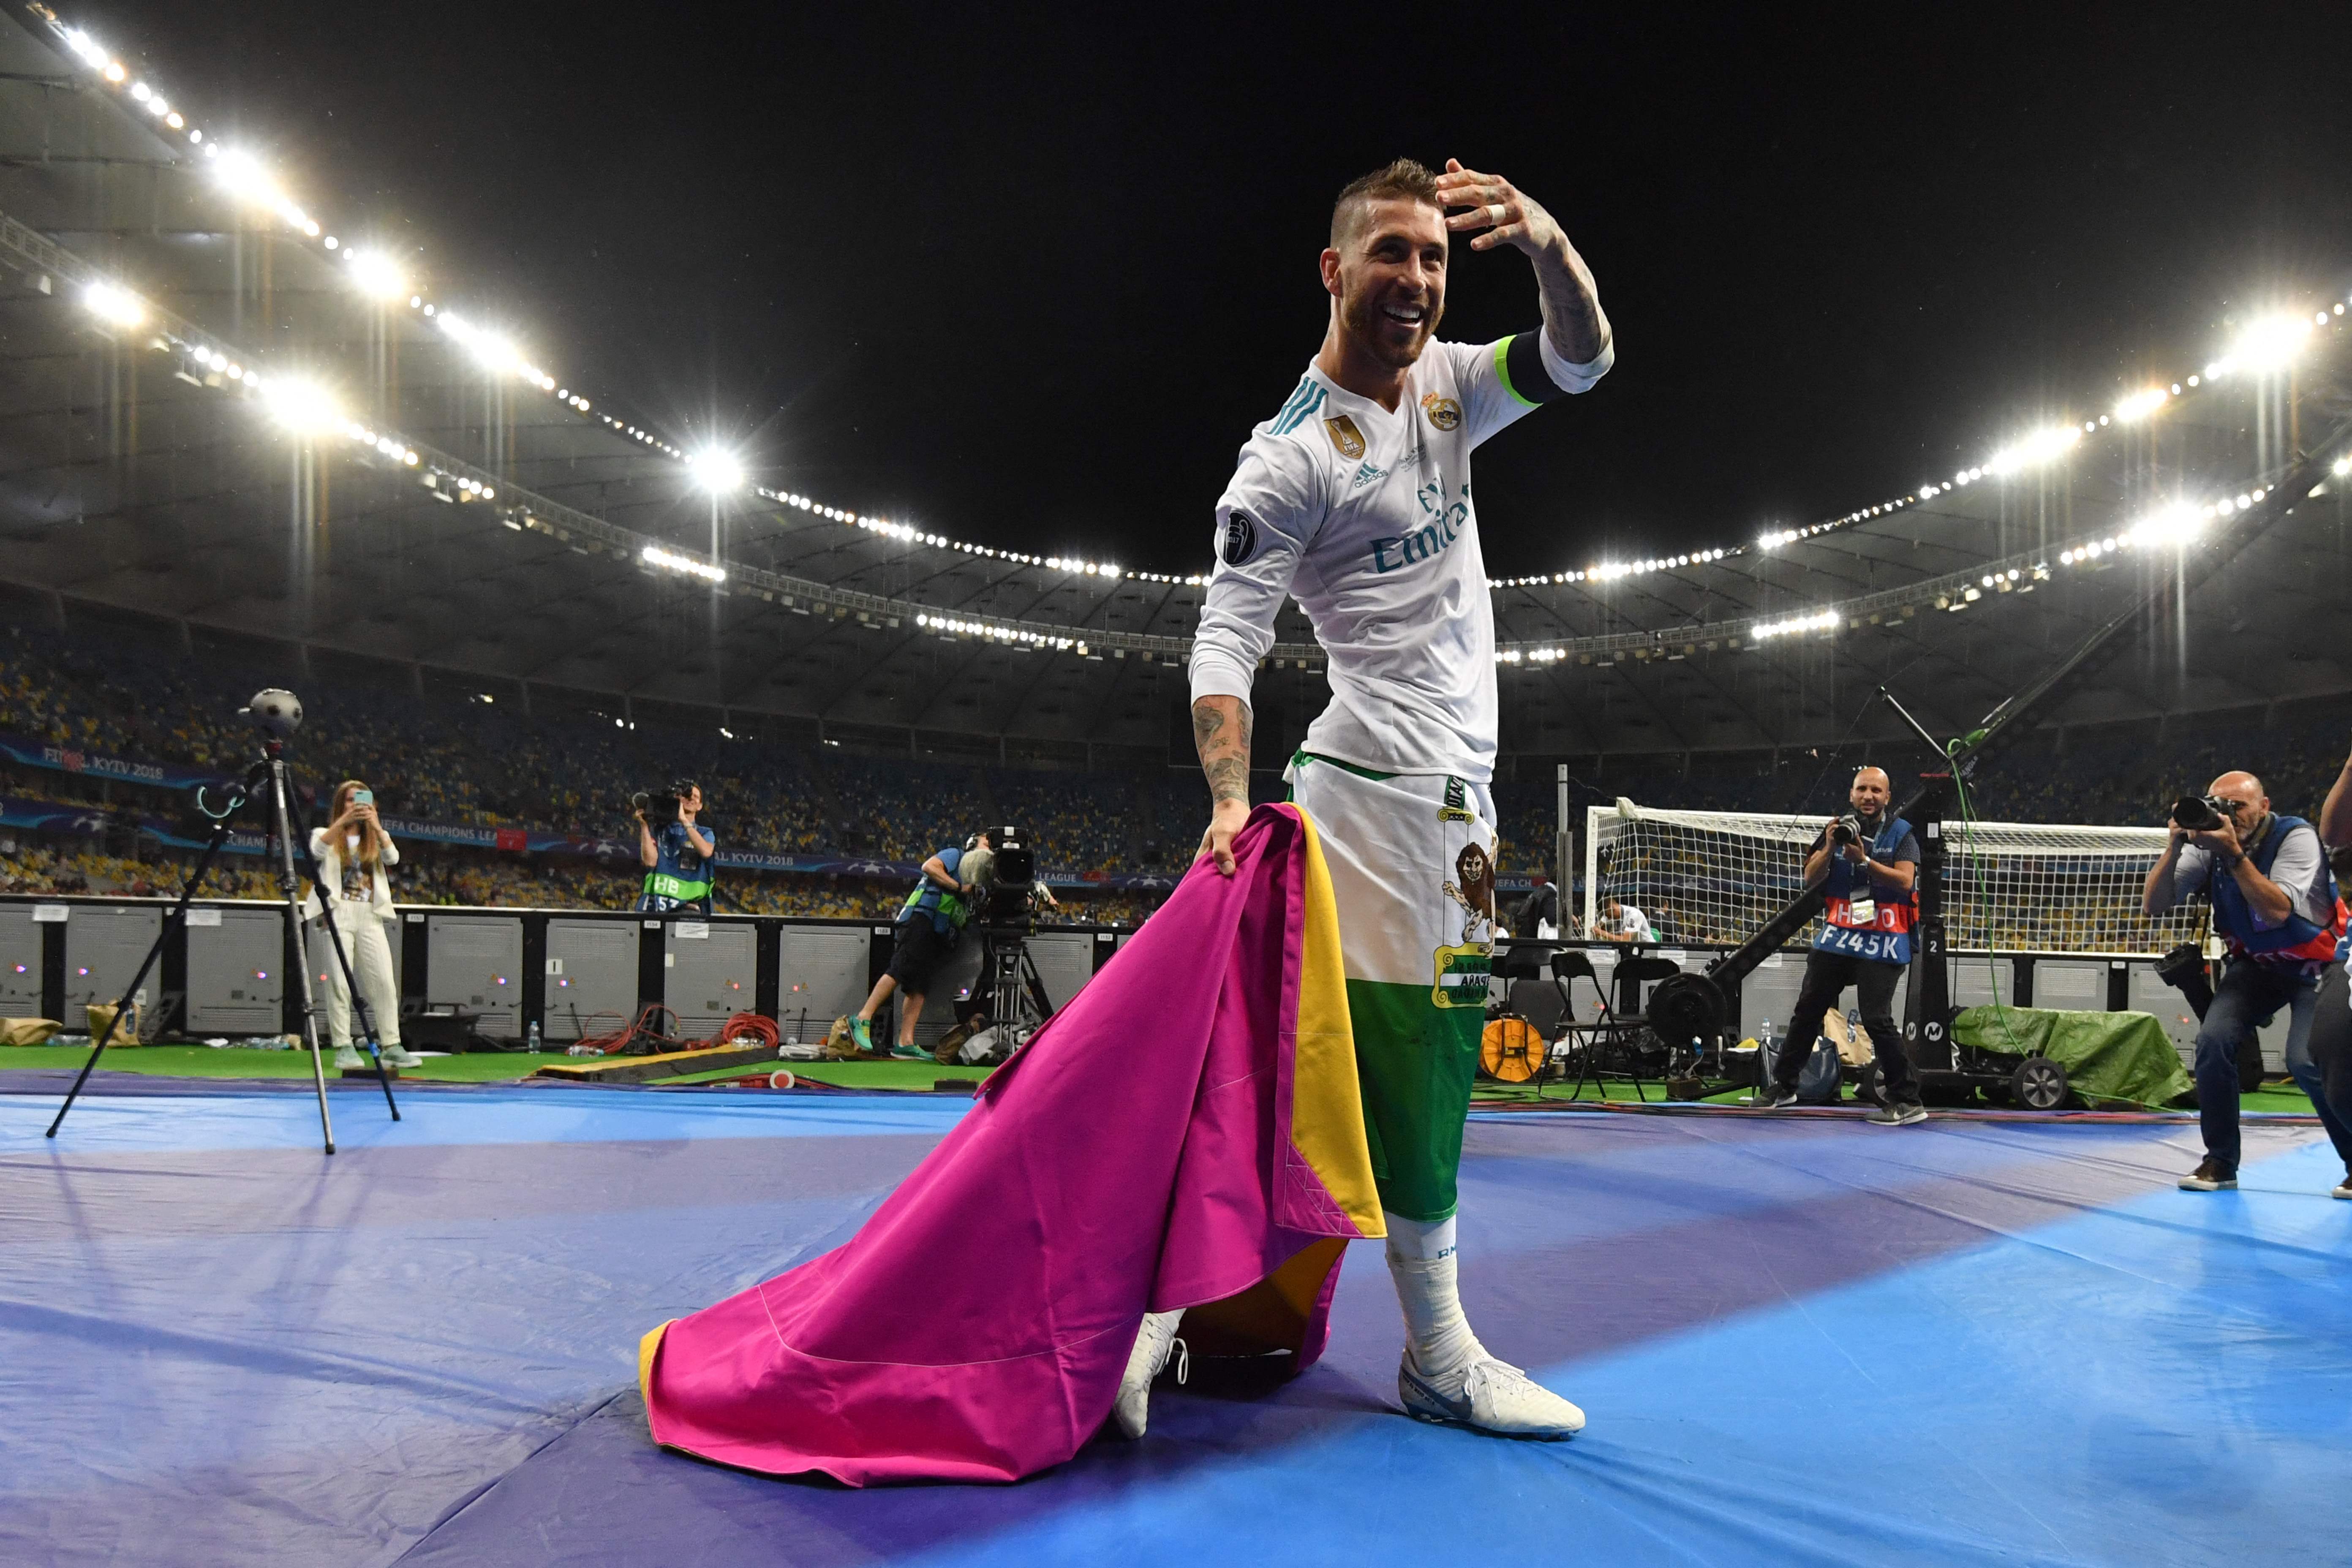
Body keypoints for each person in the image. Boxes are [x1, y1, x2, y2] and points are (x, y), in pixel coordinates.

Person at [1182, 155, 1610, 1442]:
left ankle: (1170, 1310)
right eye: (1389, 254)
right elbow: (1222, 642)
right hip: (1389, 801)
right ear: (1332, 268)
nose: (1415, 280)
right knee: (1421, 1061)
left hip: (1449, 800)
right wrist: (1222, 797)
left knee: (1319, 1064)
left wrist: (1542, 237)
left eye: (1431, 257)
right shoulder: (1288, 459)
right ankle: (1436, 1352)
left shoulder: (1447, 387)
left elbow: (1581, 359)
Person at [2145, 770, 2352, 1192]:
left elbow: (2278, 911)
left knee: (2305, 1059)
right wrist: (2175, 846)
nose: (2228, 814)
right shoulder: (2207, 846)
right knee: (2213, 1042)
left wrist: (2234, 855)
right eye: (2218, 804)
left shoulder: (2297, 837)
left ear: (2264, 806)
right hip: (2258, 965)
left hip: (2318, 963)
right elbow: (2155, 904)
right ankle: (2220, 1162)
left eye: (2238, 806)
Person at [1755, 766, 1926, 1125]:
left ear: (1887, 797)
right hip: (1840, 935)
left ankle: (1907, 1101)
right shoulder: (1835, 829)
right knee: (1807, 1011)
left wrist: (1865, 861)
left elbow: (1906, 882)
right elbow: (1810, 877)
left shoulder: (1901, 834)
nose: (1869, 796)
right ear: (1852, 795)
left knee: (1877, 1019)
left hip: (1883, 937)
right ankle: (1784, 1087)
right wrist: (1832, 845)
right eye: (1862, 789)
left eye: (1876, 791)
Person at [838, 830, 985, 1060]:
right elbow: (929, 867)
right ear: (973, 844)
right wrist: (959, 888)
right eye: (987, 842)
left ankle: (905, 1042)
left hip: (940, 929)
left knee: (919, 985)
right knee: (900, 967)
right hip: (922, 918)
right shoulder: (955, 855)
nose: (990, 848)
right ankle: (863, 1018)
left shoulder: (977, 877)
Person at [305, 781, 420, 1071]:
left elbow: (393, 858)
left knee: (383, 981)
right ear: (339, 805)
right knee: (339, 983)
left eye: (361, 800)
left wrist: (377, 826)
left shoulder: (375, 838)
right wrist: (345, 821)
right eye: (349, 801)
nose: (355, 806)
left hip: (370, 914)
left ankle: (391, 1044)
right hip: (337, 912)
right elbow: (317, 852)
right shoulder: (325, 833)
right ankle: (343, 1046)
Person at [635, 781, 715, 914]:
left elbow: (706, 852)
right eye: (686, 796)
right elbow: (650, 861)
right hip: (655, 905)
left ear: (700, 806)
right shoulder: (660, 830)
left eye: (695, 797)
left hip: (689, 908)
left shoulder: (705, 833)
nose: (690, 798)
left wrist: (684, 820)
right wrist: (644, 826)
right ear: (677, 800)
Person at [1510, 870, 1558, 941]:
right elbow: (1551, 919)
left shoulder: (1540, 891)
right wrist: (1567, 916)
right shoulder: (1550, 894)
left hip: (1528, 937)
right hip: (1539, 941)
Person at [1591, 896, 1655, 944]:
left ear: (1612, 908)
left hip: (1648, 949)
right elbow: (1596, 928)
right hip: (1634, 949)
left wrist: (1602, 933)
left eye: (1609, 916)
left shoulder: (1634, 915)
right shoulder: (1613, 913)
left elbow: (1625, 941)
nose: (1610, 918)